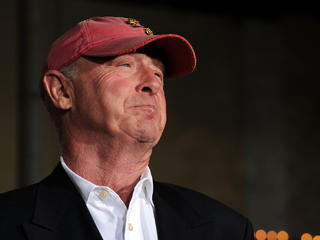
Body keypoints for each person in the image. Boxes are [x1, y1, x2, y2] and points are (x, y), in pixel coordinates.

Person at [0, 16, 254, 240]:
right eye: (125, 65)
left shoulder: (226, 229)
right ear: (62, 91)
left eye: (158, 75)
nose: (151, 85)